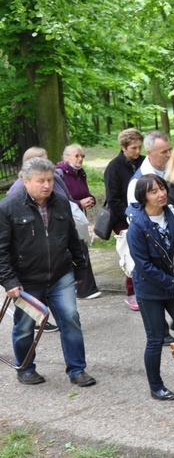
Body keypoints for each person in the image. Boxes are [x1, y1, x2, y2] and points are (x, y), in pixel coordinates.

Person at [0, 157, 96, 387]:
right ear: (25, 181)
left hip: (60, 276)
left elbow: (73, 239)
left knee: (71, 319)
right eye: (40, 180)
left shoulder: (61, 202)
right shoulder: (7, 208)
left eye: (50, 180)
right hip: (26, 281)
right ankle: (25, 368)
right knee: (24, 327)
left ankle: (77, 370)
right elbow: (1, 249)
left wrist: (80, 268)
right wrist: (9, 281)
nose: (47, 185)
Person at [126, 174, 174, 401]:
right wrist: (172, 283)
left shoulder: (172, 212)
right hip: (149, 289)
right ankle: (156, 385)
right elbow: (144, 266)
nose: (161, 194)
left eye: (162, 188)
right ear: (143, 197)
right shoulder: (138, 226)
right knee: (155, 339)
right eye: (153, 191)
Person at [124, 130, 172, 310]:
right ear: (149, 153)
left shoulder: (172, 170)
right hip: (154, 255)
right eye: (164, 152)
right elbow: (137, 222)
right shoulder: (137, 182)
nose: (169, 155)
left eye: (169, 150)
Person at [104, 128, 145, 310]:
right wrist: (130, 217)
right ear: (123, 147)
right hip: (122, 219)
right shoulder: (113, 168)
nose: (137, 151)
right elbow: (113, 200)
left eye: (139, 147)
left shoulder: (143, 162)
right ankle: (131, 292)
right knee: (131, 254)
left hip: (144, 214)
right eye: (133, 148)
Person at [55, 144, 100, 300]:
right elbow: (59, 199)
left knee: (79, 249)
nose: (80, 159)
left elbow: (84, 193)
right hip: (66, 219)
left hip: (78, 218)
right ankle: (85, 289)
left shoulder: (80, 173)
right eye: (76, 156)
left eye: (82, 156)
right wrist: (79, 203)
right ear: (66, 157)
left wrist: (90, 199)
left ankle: (82, 288)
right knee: (78, 250)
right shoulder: (58, 174)